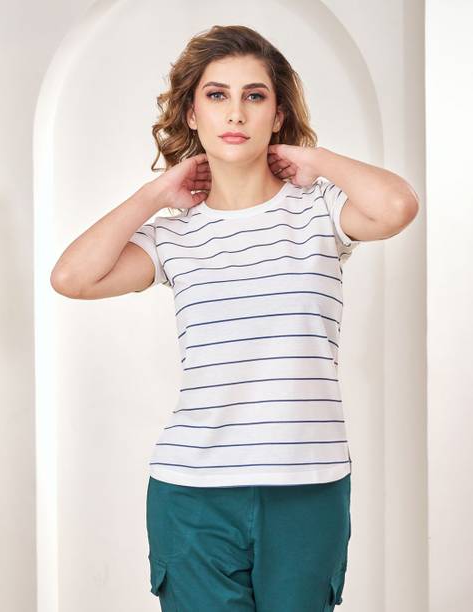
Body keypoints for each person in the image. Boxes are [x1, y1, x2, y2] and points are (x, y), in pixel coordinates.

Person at [51, 24, 419, 612]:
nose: (236, 112)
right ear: (191, 113)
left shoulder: (320, 211)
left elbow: (398, 206)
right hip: (193, 493)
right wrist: (155, 195)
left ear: (277, 115)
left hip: (309, 487)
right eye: (217, 94)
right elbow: (72, 278)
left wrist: (315, 159)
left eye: (255, 96)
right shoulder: (173, 234)